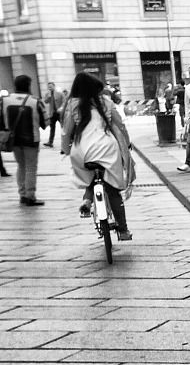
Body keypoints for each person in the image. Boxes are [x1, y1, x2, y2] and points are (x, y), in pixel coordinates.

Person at [60, 71, 135, 241]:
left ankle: (87, 200)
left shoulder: (72, 104)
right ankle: (123, 230)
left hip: (81, 151)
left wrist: (65, 150)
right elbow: (120, 126)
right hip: (107, 149)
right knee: (113, 189)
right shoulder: (106, 102)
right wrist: (127, 143)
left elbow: (66, 132)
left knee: (89, 176)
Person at [2, 75, 47, 206]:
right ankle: (30, 196)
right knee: (31, 168)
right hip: (31, 140)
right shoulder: (34, 101)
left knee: (21, 166)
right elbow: (45, 123)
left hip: (13, 140)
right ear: (28, 85)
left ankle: (22, 194)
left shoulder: (5, 100)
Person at [42, 82, 64, 148]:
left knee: (63, 127)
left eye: (51, 86)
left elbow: (64, 101)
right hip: (52, 113)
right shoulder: (47, 94)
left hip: (59, 113)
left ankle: (68, 140)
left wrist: (61, 108)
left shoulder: (60, 93)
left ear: (54, 86)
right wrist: (48, 97)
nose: (50, 88)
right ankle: (50, 142)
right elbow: (45, 102)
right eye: (49, 87)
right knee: (52, 128)